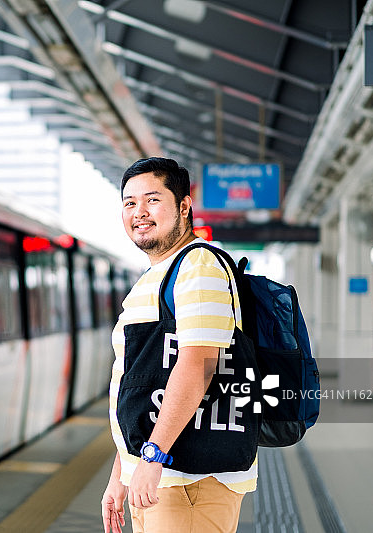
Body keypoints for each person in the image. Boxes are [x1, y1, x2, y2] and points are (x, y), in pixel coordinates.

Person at [101, 157, 257, 533]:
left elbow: (198, 364)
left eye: (152, 200)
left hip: (189, 478)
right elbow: (141, 382)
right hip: (158, 476)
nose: (139, 212)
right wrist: (123, 470)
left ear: (184, 207)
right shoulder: (158, 274)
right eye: (129, 202)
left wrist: (152, 458)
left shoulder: (197, 266)